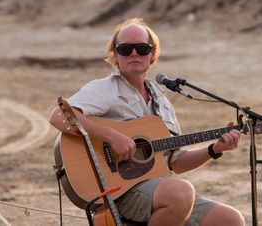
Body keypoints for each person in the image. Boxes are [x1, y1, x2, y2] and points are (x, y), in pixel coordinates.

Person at [49, 17, 245, 226]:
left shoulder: (161, 100)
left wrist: (214, 148)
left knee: (230, 220)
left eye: (142, 48)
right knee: (180, 191)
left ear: (152, 55)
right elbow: (59, 116)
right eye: (125, 49)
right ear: (115, 55)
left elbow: (175, 162)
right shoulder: (105, 89)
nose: (134, 53)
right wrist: (112, 137)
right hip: (119, 191)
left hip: (156, 190)